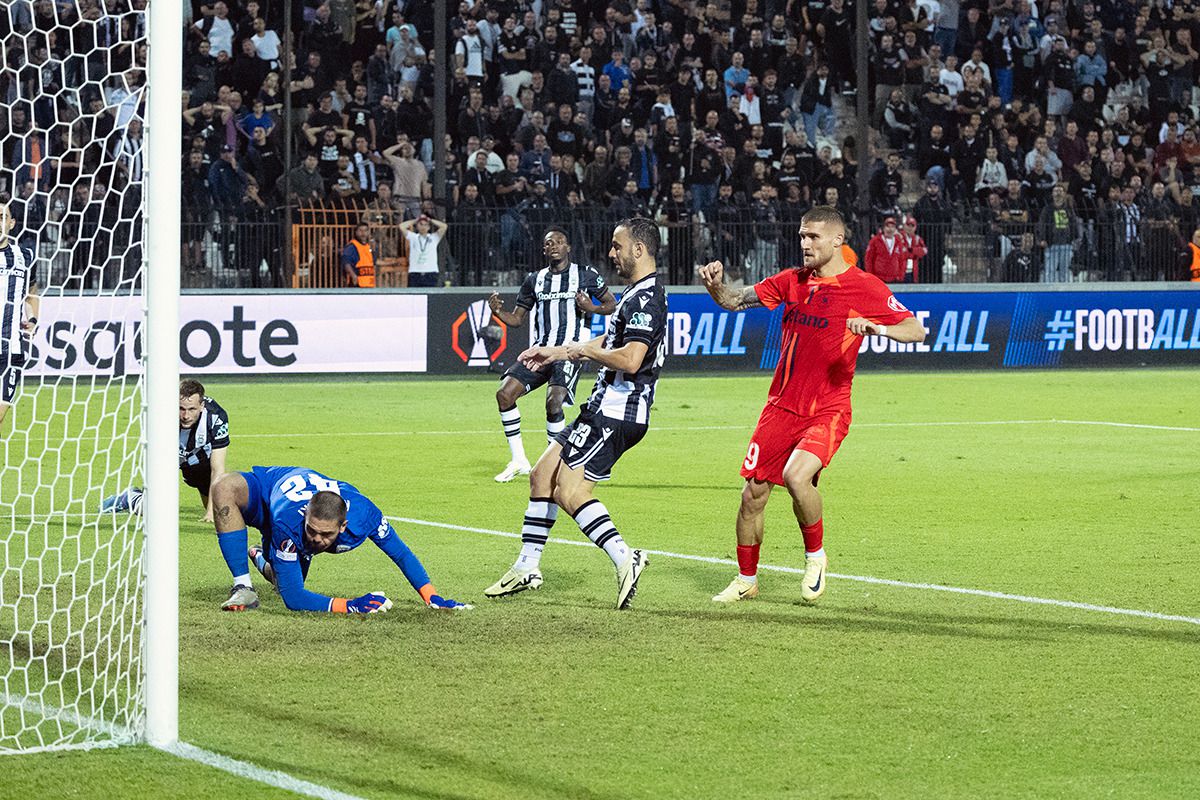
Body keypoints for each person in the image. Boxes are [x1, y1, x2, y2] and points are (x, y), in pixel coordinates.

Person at [698, 206, 926, 604]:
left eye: (813, 237)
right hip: (781, 407)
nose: (804, 243)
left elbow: (916, 330)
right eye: (802, 236)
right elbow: (734, 300)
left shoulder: (864, 287)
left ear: (837, 240)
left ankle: (816, 556)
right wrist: (715, 285)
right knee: (752, 495)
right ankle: (746, 579)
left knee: (796, 476)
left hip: (828, 408)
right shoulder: (791, 281)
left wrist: (878, 328)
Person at [482, 218, 667, 609]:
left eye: (617, 247)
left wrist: (584, 352)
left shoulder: (647, 299)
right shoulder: (635, 294)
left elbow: (630, 359)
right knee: (541, 475)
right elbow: (609, 340)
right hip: (601, 407)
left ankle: (625, 557)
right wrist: (559, 351)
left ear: (639, 250)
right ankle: (528, 565)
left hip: (617, 412)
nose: (611, 253)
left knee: (570, 491)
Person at [208, 465, 472, 613]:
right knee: (223, 486)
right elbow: (295, 599)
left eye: (326, 534)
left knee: (279, 579)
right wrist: (351, 605)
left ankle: (259, 555)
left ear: (343, 526)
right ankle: (243, 587)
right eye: (311, 530)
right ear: (305, 518)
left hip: (292, 511)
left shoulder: (365, 516)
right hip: (269, 491)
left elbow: (400, 554)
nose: (316, 539)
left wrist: (431, 596)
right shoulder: (290, 525)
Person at [487, 227, 616, 483]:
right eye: (549, 243)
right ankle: (519, 460)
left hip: (569, 352)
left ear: (568, 247)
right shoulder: (534, 279)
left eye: (559, 242)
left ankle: (553, 465)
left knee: (553, 402)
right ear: (543, 249)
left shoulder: (586, 274)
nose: (554, 246)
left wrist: (591, 307)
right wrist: (498, 313)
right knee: (504, 393)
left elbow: (611, 304)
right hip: (540, 351)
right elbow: (517, 319)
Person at [0, 202, 39, 430]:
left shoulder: (25, 257)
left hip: (11, 351)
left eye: (2, 217)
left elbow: (32, 293)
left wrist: (33, 319)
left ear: (11, 223)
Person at [399, 214, 447, 287]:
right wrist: (416, 220)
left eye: (425, 225)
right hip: (415, 272)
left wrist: (430, 220)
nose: (423, 227)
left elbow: (444, 226)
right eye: (421, 224)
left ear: (429, 227)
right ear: (417, 226)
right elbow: (401, 226)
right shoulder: (413, 237)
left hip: (431, 272)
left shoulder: (434, 238)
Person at [340, 223, 376, 287]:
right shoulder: (352, 247)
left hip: (369, 284)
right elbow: (346, 263)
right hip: (356, 285)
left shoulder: (368, 246)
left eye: (365, 230)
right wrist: (353, 276)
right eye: (360, 230)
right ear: (356, 232)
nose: (363, 233)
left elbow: (373, 262)